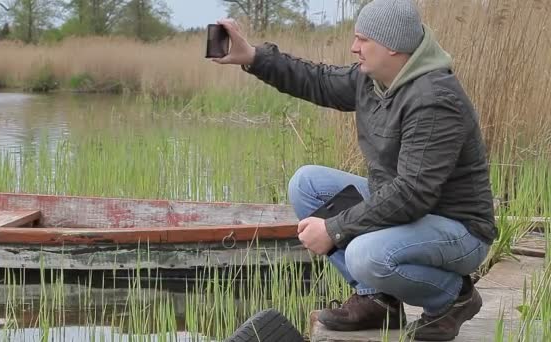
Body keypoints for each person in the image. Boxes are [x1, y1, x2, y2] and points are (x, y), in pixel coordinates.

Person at [212, 0, 497, 340]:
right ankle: (378, 301)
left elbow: (413, 193)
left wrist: (333, 229)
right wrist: (254, 57)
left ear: (391, 46)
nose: (353, 47)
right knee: (307, 183)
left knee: (365, 255)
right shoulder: (374, 80)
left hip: (458, 230)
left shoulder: (434, 99)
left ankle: (452, 298)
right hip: (410, 214)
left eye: (363, 40)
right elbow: (316, 80)